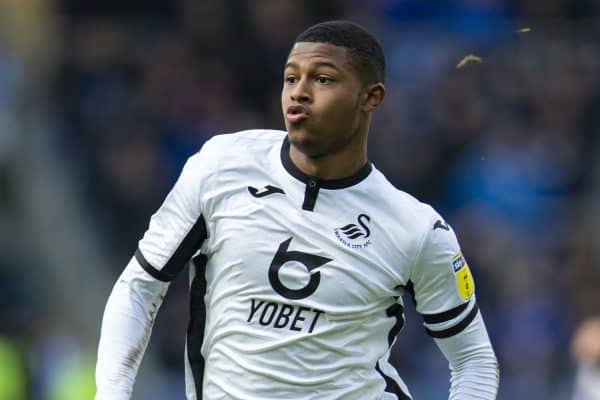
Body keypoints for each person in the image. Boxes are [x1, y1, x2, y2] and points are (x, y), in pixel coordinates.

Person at [95, 20, 499, 399]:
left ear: (370, 97)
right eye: (291, 78)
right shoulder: (222, 167)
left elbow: (474, 360)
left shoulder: (414, 227)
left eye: (322, 79)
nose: (299, 92)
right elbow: (140, 286)